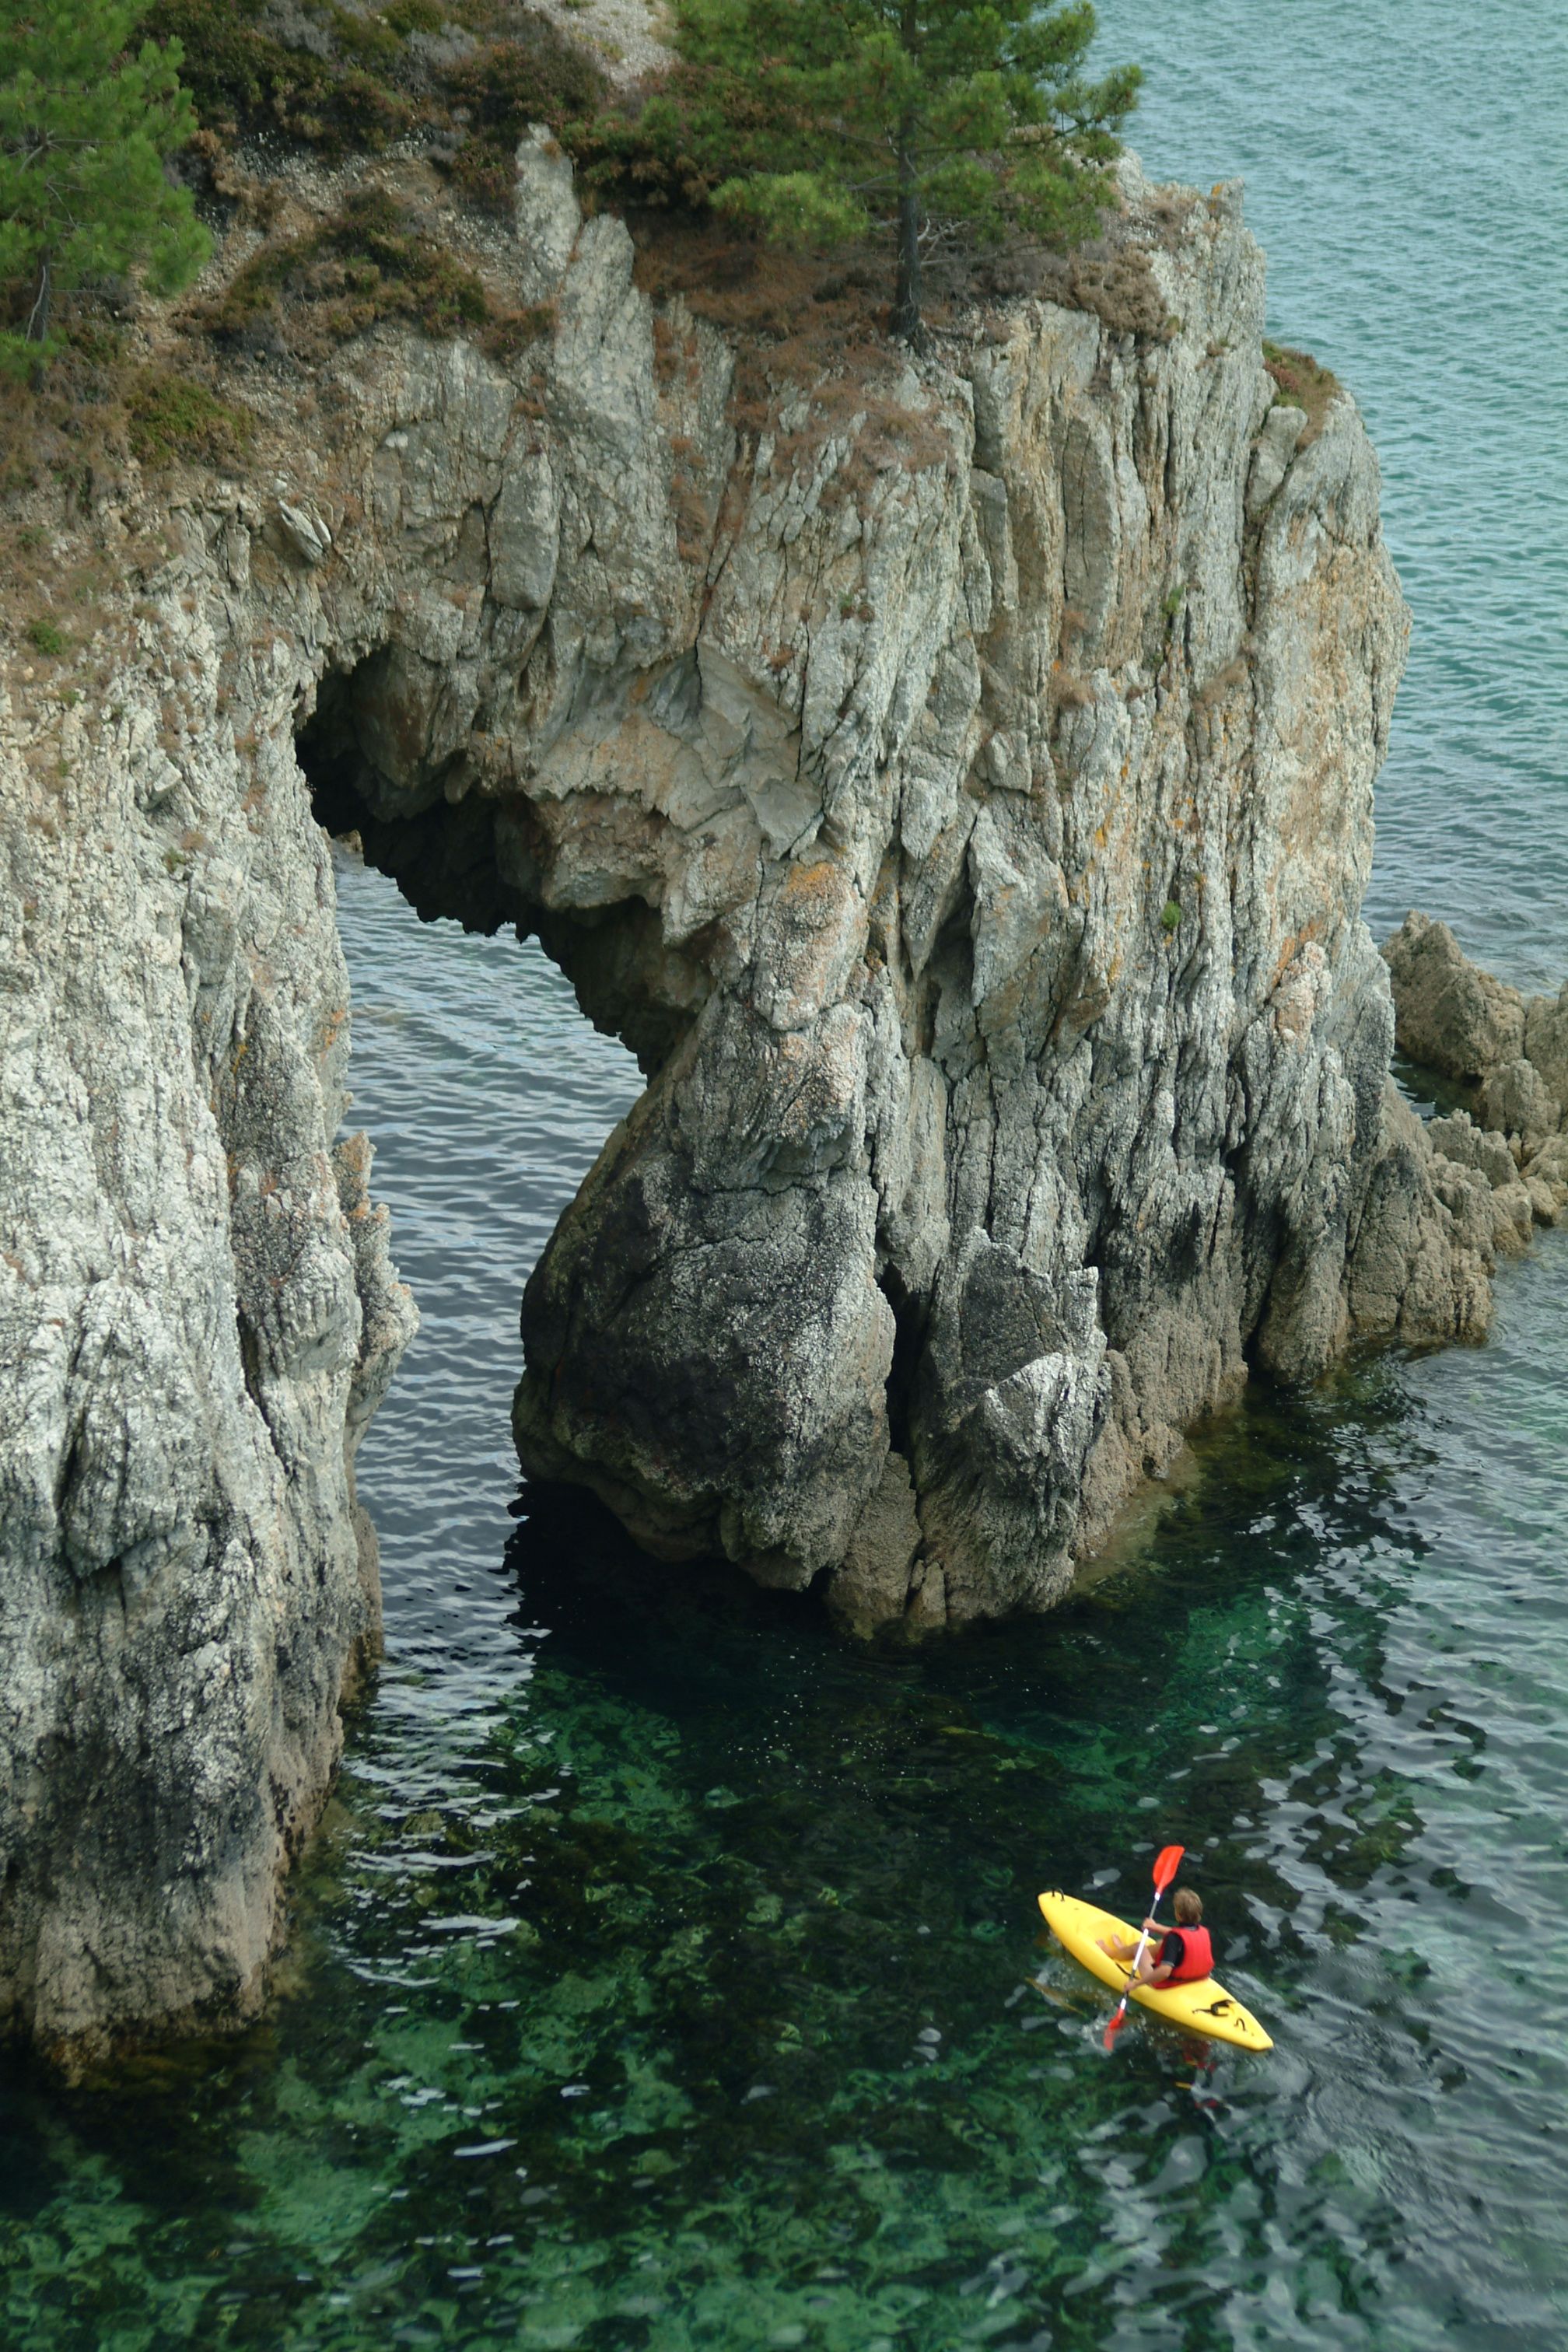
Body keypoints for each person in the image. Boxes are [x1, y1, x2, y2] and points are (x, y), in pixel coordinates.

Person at [1097, 1886, 1213, 1986]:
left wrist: (1136, 1984)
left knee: (1138, 1947)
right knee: (1162, 1944)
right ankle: (1123, 1951)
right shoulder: (1203, 1931)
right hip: (1196, 1978)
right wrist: (1155, 1926)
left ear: (1178, 1915)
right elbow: (1182, 1935)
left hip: (1164, 1981)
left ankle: (1112, 1953)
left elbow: (1165, 1972)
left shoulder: (1174, 1939)